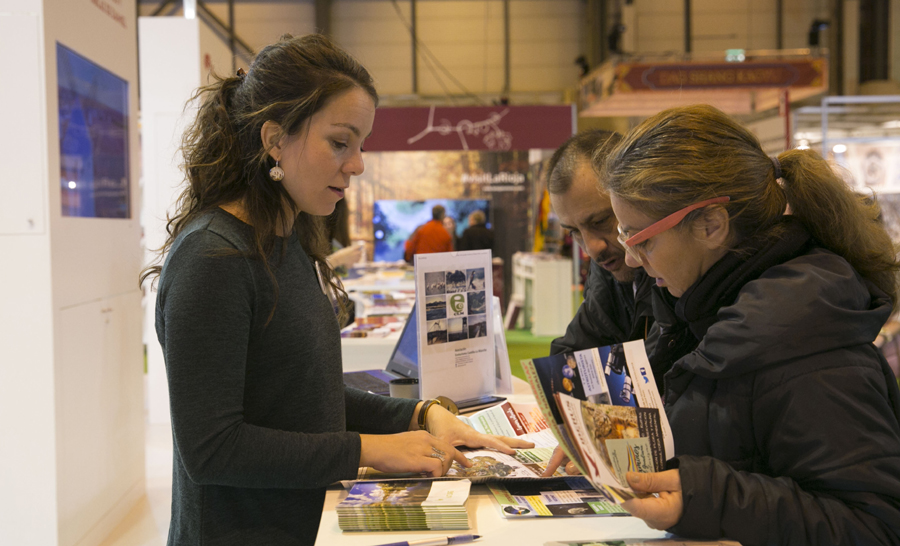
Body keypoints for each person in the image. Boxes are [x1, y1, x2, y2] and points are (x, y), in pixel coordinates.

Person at [140, 34, 531, 545]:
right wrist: (366, 450)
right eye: (340, 142)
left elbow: (305, 394)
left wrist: (421, 413)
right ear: (275, 139)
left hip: (307, 523)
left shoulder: (287, 238)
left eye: (361, 144)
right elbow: (212, 448)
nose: (357, 164)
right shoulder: (213, 258)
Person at [603, 104, 900, 545]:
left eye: (640, 239)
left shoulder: (809, 345)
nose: (630, 259)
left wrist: (709, 499)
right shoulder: (703, 310)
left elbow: (874, 527)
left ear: (711, 225)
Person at [546, 130, 695, 389]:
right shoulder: (607, 269)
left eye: (601, 221)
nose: (591, 249)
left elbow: (661, 374)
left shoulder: (684, 267)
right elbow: (571, 356)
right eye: (574, 232)